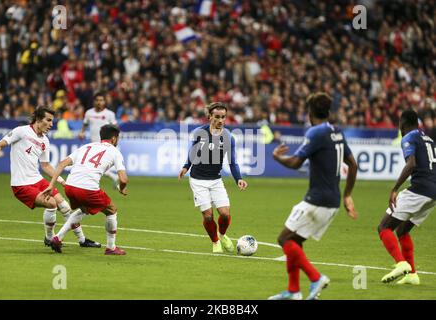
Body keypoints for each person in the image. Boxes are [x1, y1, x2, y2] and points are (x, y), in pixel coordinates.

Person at [268, 92, 358, 300]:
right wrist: (348, 195)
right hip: (333, 201)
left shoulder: (315, 133)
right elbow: (353, 164)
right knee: (295, 243)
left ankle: (315, 277)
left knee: (284, 239)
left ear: (310, 112)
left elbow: (295, 163)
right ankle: (293, 292)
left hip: (317, 200)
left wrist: (277, 157)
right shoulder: (336, 131)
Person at [0, 106, 100, 248]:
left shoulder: (45, 141)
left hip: (37, 180)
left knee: (64, 206)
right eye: (48, 120)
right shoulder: (21, 131)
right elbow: (0, 145)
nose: (51, 124)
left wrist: (62, 181)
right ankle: (50, 238)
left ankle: (82, 240)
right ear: (38, 120)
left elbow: (45, 166)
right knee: (51, 203)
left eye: (52, 121)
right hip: (21, 184)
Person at [43, 124, 128, 255]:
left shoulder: (86, 147)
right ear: (114, 138)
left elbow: (61, 164)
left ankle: (57, 238)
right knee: (112, 210)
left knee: (83, 209)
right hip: (87, 189)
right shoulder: (115, 151)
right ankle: (111, 247)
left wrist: (52, 184)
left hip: (70, 187)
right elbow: (123, 179)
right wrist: (122, 189)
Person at [178, 102, 248, 253]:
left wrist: (238, 179)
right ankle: (215, 242)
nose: (220, 120)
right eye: (217, 117)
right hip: (198, 180)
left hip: (216, 180)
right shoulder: (199, 133)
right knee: (208, 216)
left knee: (224, 213)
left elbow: (232, 161)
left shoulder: (228, 137)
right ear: (210, 117)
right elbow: (192, 153)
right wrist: (185, 167)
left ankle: (222, 235)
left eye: (223, 117)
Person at [377, 110, 436, 285]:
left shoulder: (408, 137)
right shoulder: (429, 140)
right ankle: (412, 274)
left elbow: (411, 164)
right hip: (433, 193)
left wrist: (394, 188)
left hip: (419, 190)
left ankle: (401, 263)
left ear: (402, 123)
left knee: (383, 227)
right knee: (402, 230)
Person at [79, 91, 119, 185]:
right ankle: (112, 177)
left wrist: (115, 142)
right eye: (97, 100)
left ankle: (90, 183)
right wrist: (82, 132)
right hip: (94, 143)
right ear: (94, 101)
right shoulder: (89, 113)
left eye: (101, 100)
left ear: (105, 102)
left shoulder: (109, 114)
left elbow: (115, 129)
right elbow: (85, 124)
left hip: (105, 144)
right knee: (95, 165)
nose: (99, 102)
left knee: (93, 164)